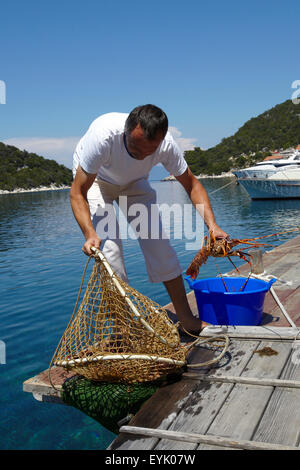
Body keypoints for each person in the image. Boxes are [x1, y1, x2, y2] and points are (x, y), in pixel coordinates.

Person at [70, 104, 228, 333]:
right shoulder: (103, 138)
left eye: (149, 152)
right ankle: (123, 331)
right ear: (125, 132)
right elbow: (77, 192)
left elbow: (192, 185)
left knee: (160, 247)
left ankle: (187, 320)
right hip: (97, 182)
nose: (141, 155)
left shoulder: (167, 145)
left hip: (134, 183)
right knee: (110, 251)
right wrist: (89, 233)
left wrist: (212, 226)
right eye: (135, 148)